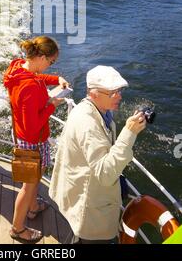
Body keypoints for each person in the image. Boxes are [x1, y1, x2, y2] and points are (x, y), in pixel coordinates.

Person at [49, 65, 146, 244]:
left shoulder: (94, 111)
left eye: (119, 90)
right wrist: (129, 133)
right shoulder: (88, 124)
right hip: (89, 212)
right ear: (93, 93)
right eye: (112, 92)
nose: (119, 96)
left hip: (79, 195)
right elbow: (105, 173)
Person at [3, 36, 69, 243]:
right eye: (51, 62)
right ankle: (17, 228)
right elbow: (33, 127)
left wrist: (56, 79)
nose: (51, 65)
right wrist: (52, 105)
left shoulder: (17, 67)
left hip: (22, 135)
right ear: (41, 57)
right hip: (32, 140)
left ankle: (33, 208)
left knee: (34, 179)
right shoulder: (29, 87)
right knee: (28, 186)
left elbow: (36, 77)